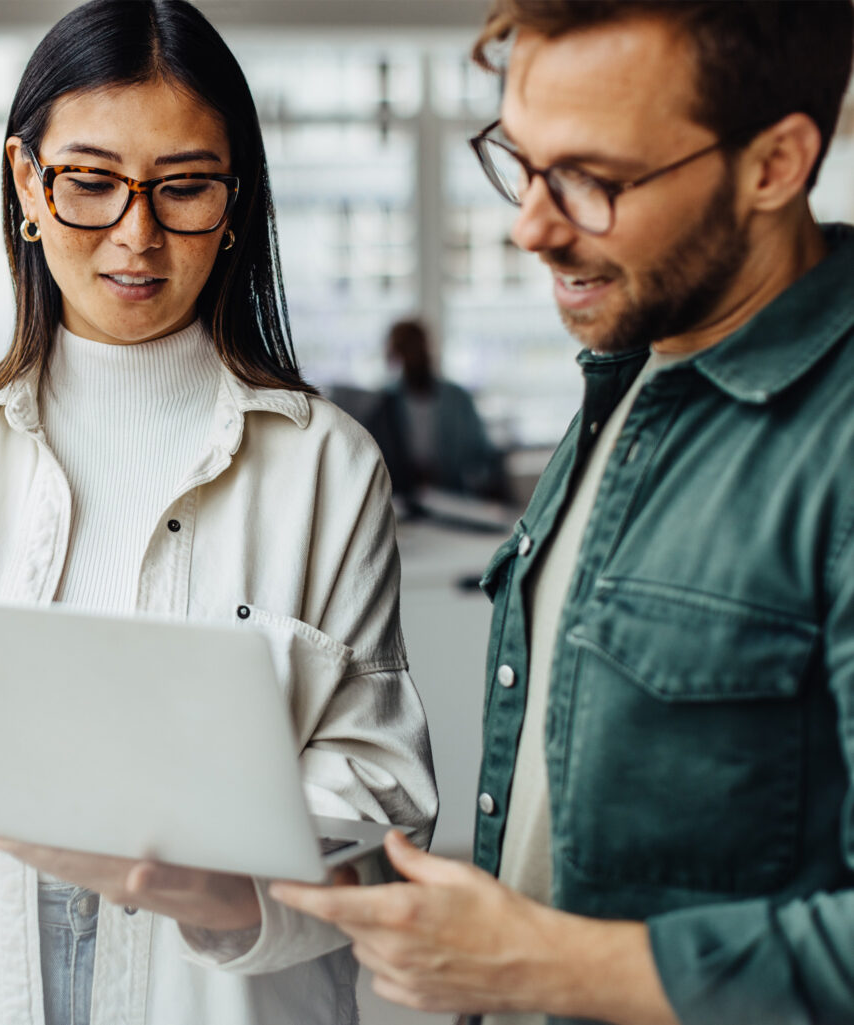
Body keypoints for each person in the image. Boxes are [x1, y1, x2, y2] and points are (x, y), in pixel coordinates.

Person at [271, 3, 854, 1024]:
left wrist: (547, 965)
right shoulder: (632, 370)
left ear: (774, 164)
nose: (528, 225)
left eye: (592, 179)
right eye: (519, 161)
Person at [0, 2, 437, 1024]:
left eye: (184, 186)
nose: (136, 235)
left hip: (222, 986)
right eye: (92, 183)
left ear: (234, 198)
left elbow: (382, 791)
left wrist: (215, 877)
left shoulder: (325, 466)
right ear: (28, 181)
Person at [367, 318, 509, 501]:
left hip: (454, 498)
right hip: (402, 501)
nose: (412, 358)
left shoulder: (458, 400)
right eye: (405, 351)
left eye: (415, 348)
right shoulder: (385, 403)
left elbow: (483, 455)